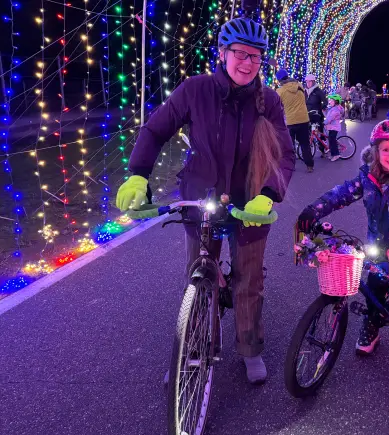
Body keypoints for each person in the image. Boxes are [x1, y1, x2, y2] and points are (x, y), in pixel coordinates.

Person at [115, 17, 295, 385]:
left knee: (249, 279)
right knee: (198, 278)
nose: (248, 63)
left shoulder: (270, 102)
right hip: (201, 200)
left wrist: (268, 195)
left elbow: (284, 155)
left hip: (250, 206)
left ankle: (250, 348)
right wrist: (138, 174)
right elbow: (155, 129)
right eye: (241, 54)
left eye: (256, 57)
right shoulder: (194, 90)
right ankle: (194, 349)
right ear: (222, 53)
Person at [295, 108, 389, 375]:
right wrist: (314, 209)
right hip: (379, 245)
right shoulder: (368, 176)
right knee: (376, 284)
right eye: (386, 150)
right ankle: (373, 324)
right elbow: (342, 193)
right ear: (376, 151)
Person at [276, 68, 314, 172]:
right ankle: (309, 166)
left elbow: (278, 106)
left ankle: (290, 166)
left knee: (289, 145)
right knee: (305, 143)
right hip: (304, 119)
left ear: (279, 80)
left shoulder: (280, 91)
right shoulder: (300, 85)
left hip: (290, 121)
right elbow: (304, 98)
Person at [323, 94, 344, 162]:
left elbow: (329, 119)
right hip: (332, 127)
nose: (329, 102)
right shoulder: (333, 108)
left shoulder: (335, 110)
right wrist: (323, 112)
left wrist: (323, 123)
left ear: (336, 102)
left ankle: (336, 155)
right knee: (331, 140)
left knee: (332, 140)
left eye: (331, 101)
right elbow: (328, 116)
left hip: (334, 127)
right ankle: (333, 154)